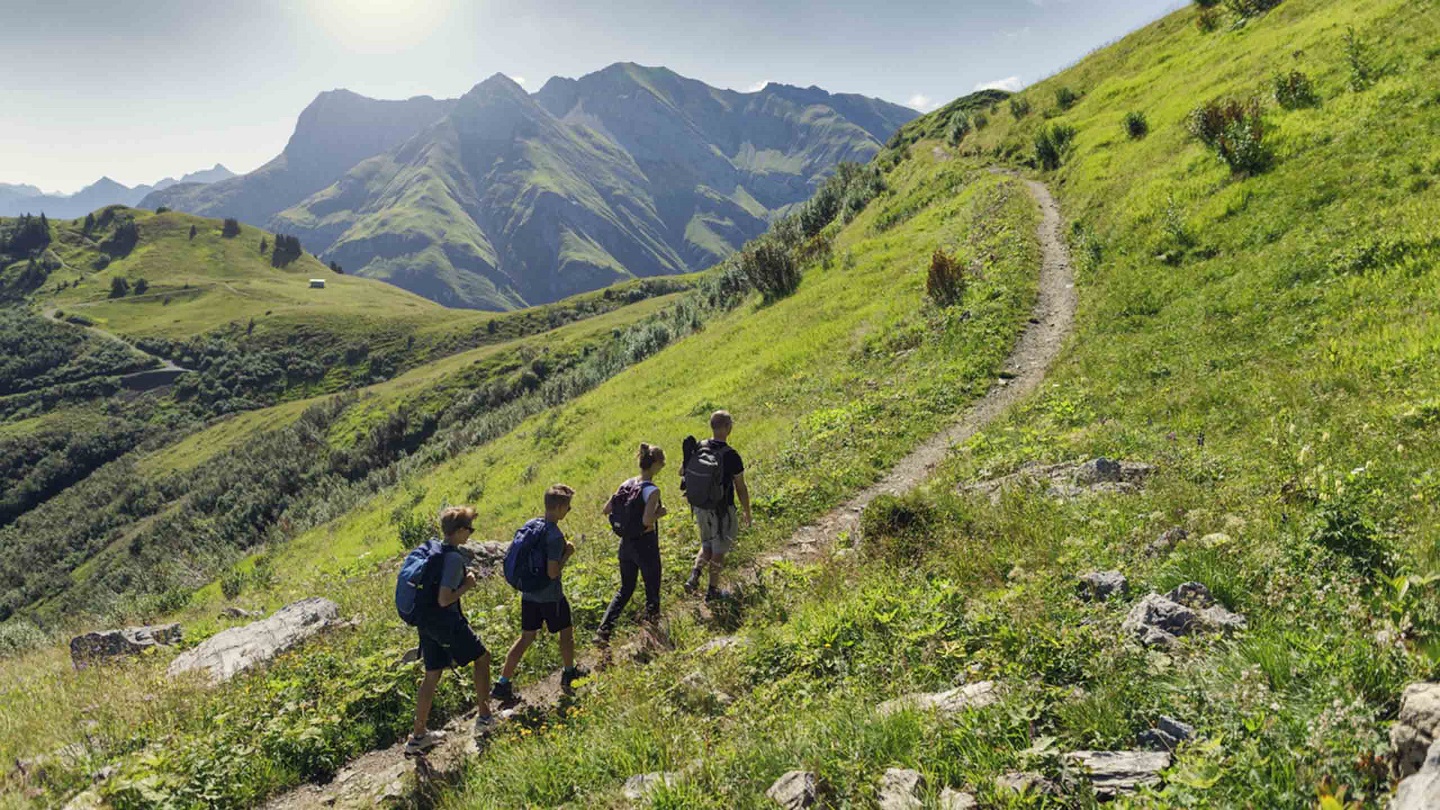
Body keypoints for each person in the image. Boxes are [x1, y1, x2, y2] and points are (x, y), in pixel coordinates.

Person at [406, 506, 494, 755]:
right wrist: (468, 585)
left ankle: (418, 736)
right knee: (482, 658)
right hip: (445, 621)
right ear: (459, 531)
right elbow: (445, 599)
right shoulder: (454, 558)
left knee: (432, 674)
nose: (471, 534)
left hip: (426, 621)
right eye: (470, 529)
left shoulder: (436, 549)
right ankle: (485, 717)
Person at [492, 484, 590, 699]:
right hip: (550, 596)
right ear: (557, 507)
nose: (569, 510)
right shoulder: (554, 535)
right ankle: (569, 672)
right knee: (566, 632)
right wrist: (567, 554)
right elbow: (552, 572)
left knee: (526, 637)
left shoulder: (532, 524)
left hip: (528, 594)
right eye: (568, 507)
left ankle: (502, 683)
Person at [595, 444, 668, 646]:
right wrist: (660, 514)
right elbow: (647, 521)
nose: (664, 465)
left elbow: (606, 509)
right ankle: (653, 632)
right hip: (645, 544)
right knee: (652, 587)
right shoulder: (652, 490)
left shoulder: (626, 483)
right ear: (654, 464)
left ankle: (603, 631)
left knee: (626, 588)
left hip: (626, 544)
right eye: (662, 462)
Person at [682, 410, 751, 601]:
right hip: (722, 510)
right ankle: (712, 591)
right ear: (728, 428)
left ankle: (695, 574)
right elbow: (741, 488)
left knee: (707, 544)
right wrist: (747, 511)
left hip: (701, 507)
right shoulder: (731, 455)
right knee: (719, 551)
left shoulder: (699, 446)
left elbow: (683, 471)